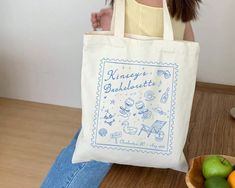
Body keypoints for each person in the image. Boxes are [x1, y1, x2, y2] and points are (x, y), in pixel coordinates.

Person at [41, 0, 201, 187]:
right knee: (87, 140)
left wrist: (115, 22)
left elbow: (132, 60)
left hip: (124, 99)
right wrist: (116, 17)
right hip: (158, 109)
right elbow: (186, 42)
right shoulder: (181, 2)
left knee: (92, 150)